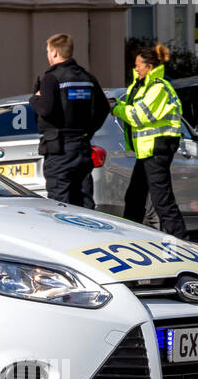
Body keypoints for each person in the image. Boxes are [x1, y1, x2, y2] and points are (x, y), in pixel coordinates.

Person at [111, 43, 188, 239]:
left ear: (149, 67)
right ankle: (132, 239)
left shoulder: (158, 88)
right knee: (135, 197)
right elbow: (132, 108)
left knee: (161, 199)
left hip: (157, 149)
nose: (135, 69)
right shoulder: (142, 86)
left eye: (138, 65)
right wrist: (117, 104)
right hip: (147, 151)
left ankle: (181, 242)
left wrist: (116, 109)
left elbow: (138, 116)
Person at [29, 33, 110, 206]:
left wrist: (34, 99)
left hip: (59, 149)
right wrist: (88, 131)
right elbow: (103, 108)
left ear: (55, 53)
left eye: (48, 52)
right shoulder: (87, 78)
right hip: (81, 146)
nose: (48, 56)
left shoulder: (51, 78)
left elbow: (45, 109)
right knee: (83, 201)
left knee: (61, 203)